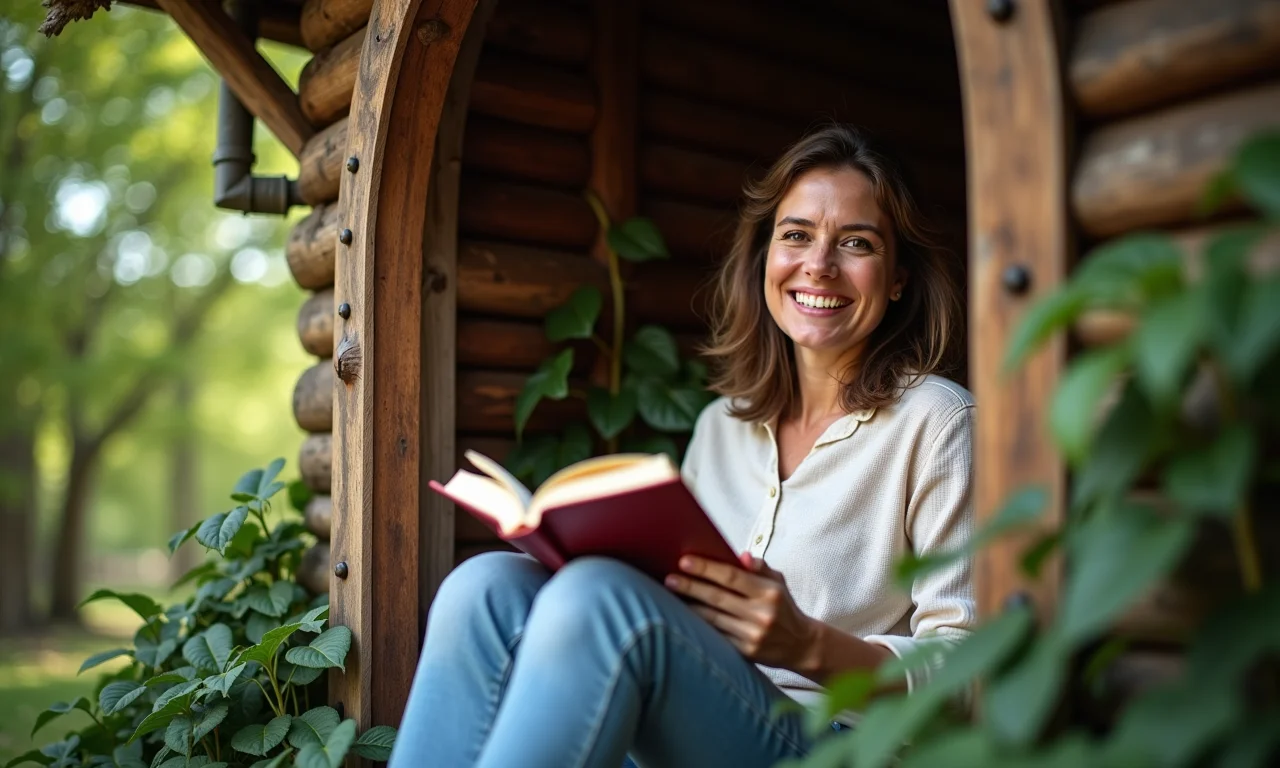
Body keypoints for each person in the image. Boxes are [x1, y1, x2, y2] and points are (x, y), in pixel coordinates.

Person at [388, 123, 975, 768]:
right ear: (765, 257)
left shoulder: (938, 423)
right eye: (797, 235)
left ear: (897, 278)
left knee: (599, 603)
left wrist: (808, 646)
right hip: (692, 719)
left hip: (842, 746)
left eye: (856, 243)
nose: (819, 264)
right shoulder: (722, 425)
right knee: (487, 585)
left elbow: (974, 677)